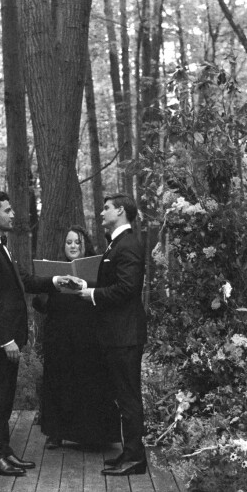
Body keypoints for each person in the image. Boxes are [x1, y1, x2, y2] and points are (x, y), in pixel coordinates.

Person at [0, 190, 73, 477]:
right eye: (8, 210)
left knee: (4, 399)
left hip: (8, 338)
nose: (13, 214)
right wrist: (6, 340)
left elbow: (23, 280)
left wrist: (55, 280)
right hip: (0, 340)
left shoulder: (0, 246)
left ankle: (3, 450)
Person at [76, 193, 148, 476]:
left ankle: (135, 458)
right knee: (123, 396)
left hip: (125, 334)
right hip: (117, 334)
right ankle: (129, 452)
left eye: (106, 208)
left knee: (129, 397)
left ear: (120, 211)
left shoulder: (127, 244)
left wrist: (92, 294)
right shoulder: (117, 244)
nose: (101, 213)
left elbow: (127, 288)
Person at [33, 225, 120, 450]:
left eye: (77, 242)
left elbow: (106, 297)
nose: (73, 246)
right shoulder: (56, 271)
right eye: (69, 242)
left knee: (87, 384)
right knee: (58, 384)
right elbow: (42, 304)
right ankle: (55, 432)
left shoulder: (96, 268)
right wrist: (46, 292)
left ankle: (91, 435)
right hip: (59, 337)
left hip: (87, 337)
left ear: (85, 245)